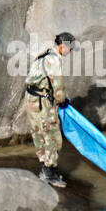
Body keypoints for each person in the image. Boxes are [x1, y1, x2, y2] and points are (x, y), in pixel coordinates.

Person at [25, 32, 74, 187]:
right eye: (70, 48)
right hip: (42, 102)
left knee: (39, 132)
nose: (71, 51)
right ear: (63, 46)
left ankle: (45, 167)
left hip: (31, 99)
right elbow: (58, 87)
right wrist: (60, 100)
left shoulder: (42, 56)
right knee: (53, 136)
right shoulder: (54, 60)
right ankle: (48, 173)